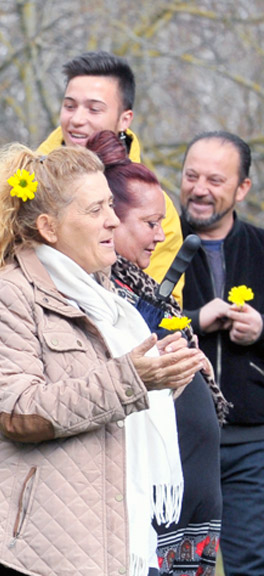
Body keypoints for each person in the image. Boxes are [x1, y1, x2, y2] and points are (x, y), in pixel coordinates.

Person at [0, 144, 204, 576]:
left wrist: (168, 372)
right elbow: (19, 411)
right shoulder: (4, 296)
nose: (113, 221)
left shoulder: (106, 300)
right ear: (49, 227)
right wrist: (134, 378)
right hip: (26, 552)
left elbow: (114, 395)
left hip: (99, 545)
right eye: (96, 210)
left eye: (111, 206)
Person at [87, 130, 225, 575]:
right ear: (109, 220)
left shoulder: (146, 291)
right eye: (150, 224)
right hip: (145, 508)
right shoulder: (97, 295)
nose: (162, 235)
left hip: (189, 503)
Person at [178, 131, 264, 575]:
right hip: (178, 436)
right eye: (191, 176)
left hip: (251, 441)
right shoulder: (158, 243)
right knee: (178, 564)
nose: (199, 189)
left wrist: (261, 331)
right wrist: (195, 319)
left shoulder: (260, 247)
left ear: (242, 188)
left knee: (252, 563)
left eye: (215, 179)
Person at [36, 50, 184, 303]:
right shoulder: (21, 181)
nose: (77, 120)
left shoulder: (156, 208)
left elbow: (160, 305)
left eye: (94, 109)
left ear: (124, 119)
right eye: (69, 106)